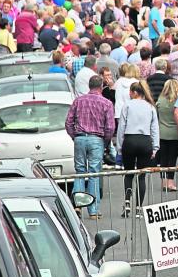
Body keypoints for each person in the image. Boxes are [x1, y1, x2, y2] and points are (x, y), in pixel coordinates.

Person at [65, 75, 115, 219]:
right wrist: (105, 142)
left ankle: (78, 206)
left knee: (80, 172)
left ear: (89, 85)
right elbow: (110, 127)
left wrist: (75, 136)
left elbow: (68, 122)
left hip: (80, 137)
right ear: (101, 87)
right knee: (93, 174)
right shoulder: (106, 103)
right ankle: (93, 210)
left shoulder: (78, 101)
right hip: (96, 139)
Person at [116, 81, 159, 218]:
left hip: (130, 140)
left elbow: (121, 127)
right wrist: (155, 147)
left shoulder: (127, 105)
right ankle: (139, 208)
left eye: (130, 91)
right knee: (141, 176)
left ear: (135, 92)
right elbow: (154, 128)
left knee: (128, 173)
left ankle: (127, 202)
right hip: (145, 140)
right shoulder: (150, 107)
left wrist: (119, 146)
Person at [157, 79, 178, 192]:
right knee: (172, 158)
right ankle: (170, 183)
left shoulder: (160, 100)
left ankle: (163, 182)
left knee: (163, 158)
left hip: (162, 132)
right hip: (175, 133)